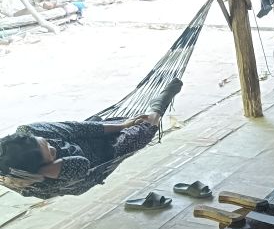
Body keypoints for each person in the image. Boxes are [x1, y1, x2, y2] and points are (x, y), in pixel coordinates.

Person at [0, 78, 182, 199]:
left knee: (129, 122)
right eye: (50, 153)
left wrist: (122, 125)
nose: (52, 146)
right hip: (100, 161)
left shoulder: (30, 130)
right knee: (143, 131)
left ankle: (131, 121)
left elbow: (77, 128)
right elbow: (82, 164)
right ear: (40, 169)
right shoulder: (38, 184)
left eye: (45, 142)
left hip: (85, 136)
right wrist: (43, 172)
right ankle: (157, 107)